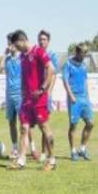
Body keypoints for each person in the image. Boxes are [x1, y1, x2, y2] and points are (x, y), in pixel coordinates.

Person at [7, 30, 57, 171]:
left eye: (17, 45)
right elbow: (24, 75)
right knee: (23, 128)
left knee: (44, 128)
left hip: (39, 99)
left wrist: (42, 89)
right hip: (27, 100)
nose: (17, 49)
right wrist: (23, 90)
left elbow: (51, 69)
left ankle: (52, 159)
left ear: (23, 41)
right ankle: (21, 160)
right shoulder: (22, 56)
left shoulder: (38, 51)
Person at [63, 44, 94, 161]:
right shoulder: (68, 64)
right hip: (74, 98)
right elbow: (65, 81)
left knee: (90, 123)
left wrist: (88, 97)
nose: (85, 55)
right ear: (77, 52)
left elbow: (85, 80)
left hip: (84, 98)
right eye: (83, 53)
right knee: (73, 125)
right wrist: (71, 96)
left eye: (86, 53)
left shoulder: (84, 66)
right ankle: (73, 151)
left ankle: (82, 148)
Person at [35, 30, 60, 161]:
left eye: (44, 39)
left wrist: (49, 91)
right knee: (40, 124)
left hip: (45, 93)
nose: (41, 41)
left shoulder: (52, 55)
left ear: (48, 41)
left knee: (44, 123)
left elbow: (53, 74)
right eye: (40, 39)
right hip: (36, 94)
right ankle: (44, 151)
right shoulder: (35, 54)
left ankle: (46, 153)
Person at [0, 34, 22, 159]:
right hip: (9, 96)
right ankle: (15, 148)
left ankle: (31, 148)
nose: (10, 46)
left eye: (11, 43)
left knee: (24, 123)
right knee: (12, 123)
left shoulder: (22, 58)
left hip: (20, 95)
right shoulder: (7, 59)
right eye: (8, 43)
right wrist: (4, 54)